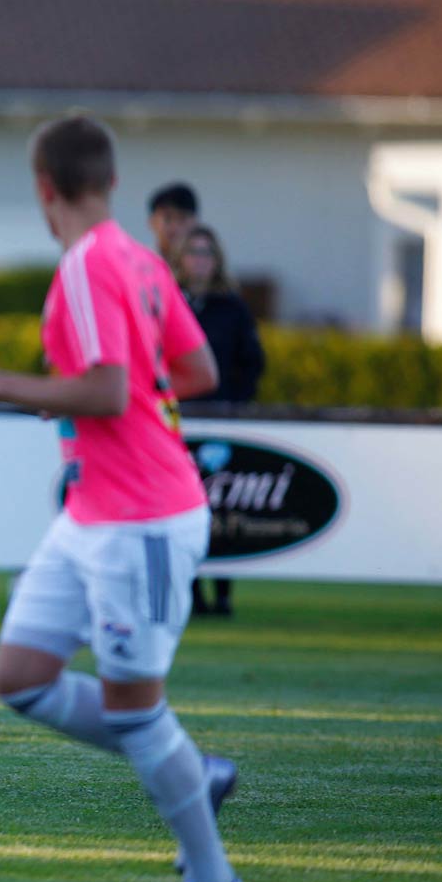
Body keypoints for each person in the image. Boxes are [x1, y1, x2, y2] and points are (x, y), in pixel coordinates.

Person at [0, 115, 245, 882]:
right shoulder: (141, 260)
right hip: (96, 514)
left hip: (141, 517)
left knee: (138, 711)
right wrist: (101, 398)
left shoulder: (84, 266)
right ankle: (192, 770)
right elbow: (197, 369)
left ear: (45, 191)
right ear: (108, 181)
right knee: (22, 679)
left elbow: (107, 389)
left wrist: (8, 387)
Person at [177, 224, 266, 617]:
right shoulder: (169, 303)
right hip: (181, 418)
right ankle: (192, 590)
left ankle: (224, 591)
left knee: (223, 504)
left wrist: (235, 401)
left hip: (222, 417)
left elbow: (252, 361)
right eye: (193, 252)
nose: (199, 260)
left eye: (206, 253)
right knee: (184, 506)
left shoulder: (231, 307)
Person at [147, 182, 199, 273]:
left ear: (196, 223)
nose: (174, 227)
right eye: (168, 218)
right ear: (152, 222)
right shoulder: (139, 265)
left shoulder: (209, 272)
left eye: (182, 218)